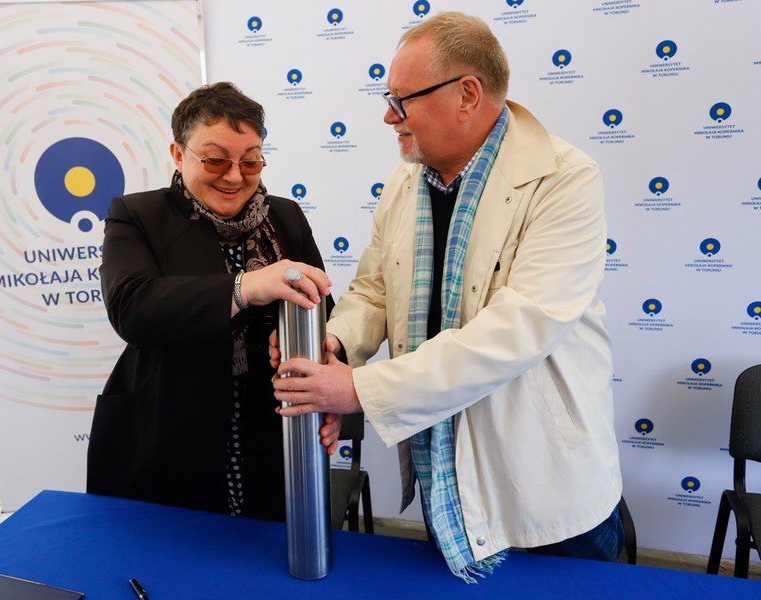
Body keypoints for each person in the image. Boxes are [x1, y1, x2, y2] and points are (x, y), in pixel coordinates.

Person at [271, 12, 623, 580]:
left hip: (545, 492)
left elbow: (519, 328)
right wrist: (333, 346)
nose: (389, 115)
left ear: (467, 95)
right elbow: (374, 291)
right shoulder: (404, 182)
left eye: (402, 99)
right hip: (446, 480)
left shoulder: (564, 178)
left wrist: (358, 389)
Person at [87, 82, 338, 522]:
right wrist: (245, 288)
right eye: (216, 159)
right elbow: (133, 308)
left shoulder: (286, 217)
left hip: (272, 441)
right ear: (178, 153)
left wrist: (327, 389)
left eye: (250, 160)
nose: (235, 176)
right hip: (169, 437)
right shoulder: (136, 215)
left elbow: (324, 315)